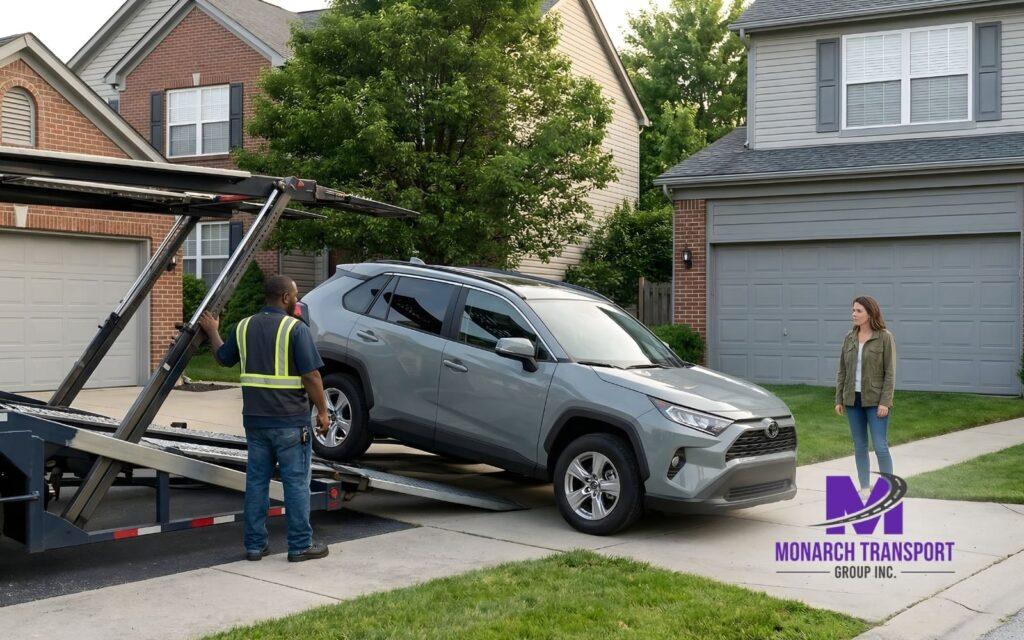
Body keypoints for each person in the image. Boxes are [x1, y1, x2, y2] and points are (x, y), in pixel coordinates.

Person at [199, 275, 331, 562]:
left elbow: (223, 358)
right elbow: (311, 375)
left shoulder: (243, 327)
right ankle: (299, 546)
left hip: (256, 423)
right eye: (296, 294)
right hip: (290, 423)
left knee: (257, 483)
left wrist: (212, 331)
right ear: (285, 298)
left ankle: (255, 546)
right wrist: (322, 411)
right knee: (295, 483)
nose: (298, 299)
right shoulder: (295, 329)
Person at [834, 296, 896, 499]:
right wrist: (839, 399)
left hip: (876, 401)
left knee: (880, 445)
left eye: (858, 311)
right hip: (853, 400)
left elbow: (890, 373)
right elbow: (842, 370)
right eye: (853, 310)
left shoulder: (884, 337)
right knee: (860, 445)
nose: (854, 314)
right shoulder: (849, 338)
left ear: (870, 313)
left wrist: (885, 402)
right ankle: (864, 487)